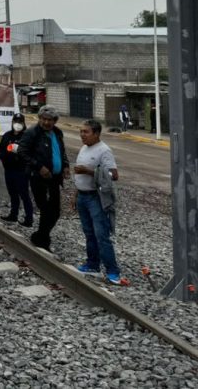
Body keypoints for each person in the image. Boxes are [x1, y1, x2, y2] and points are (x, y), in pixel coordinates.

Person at [71, 119, 123, 285]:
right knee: (89, 233)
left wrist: (88, 171)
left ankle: (113, 271)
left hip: (96, 198)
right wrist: (75, 194)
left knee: (102, 235)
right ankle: (92, 264)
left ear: (96, 133)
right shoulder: (84, 148)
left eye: (86, 132)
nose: (82, 135)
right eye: (81, 132)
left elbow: (113, 175)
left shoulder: (104, 151)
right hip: (82, 196)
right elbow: (79, 175)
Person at [17, 105, 70, 252]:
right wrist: (39, 167)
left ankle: (39, 235)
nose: (46, 122)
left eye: (50, 120)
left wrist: (65, 165)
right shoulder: (32, 133)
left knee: (56, 212)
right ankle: (43, 242)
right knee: (46, 210)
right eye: (44, 119)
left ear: (55, 121)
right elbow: (22, 152)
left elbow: (61, 152)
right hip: (38, 178)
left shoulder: (57, 133)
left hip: (55, 178)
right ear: (39, 118)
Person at [0, 113, 34, 226]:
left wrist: (19, 154)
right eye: (15, 121)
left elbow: (30, 154)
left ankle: (29, 219)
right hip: (9, 169)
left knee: (24, 195)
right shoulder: (7, 135)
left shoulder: (27, 136)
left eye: (20, 122)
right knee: (12, 193)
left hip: (21, 171)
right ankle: (13, 215)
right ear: (12, 122)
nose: (17, 124)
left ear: (23, 123)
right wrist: (5, 156)